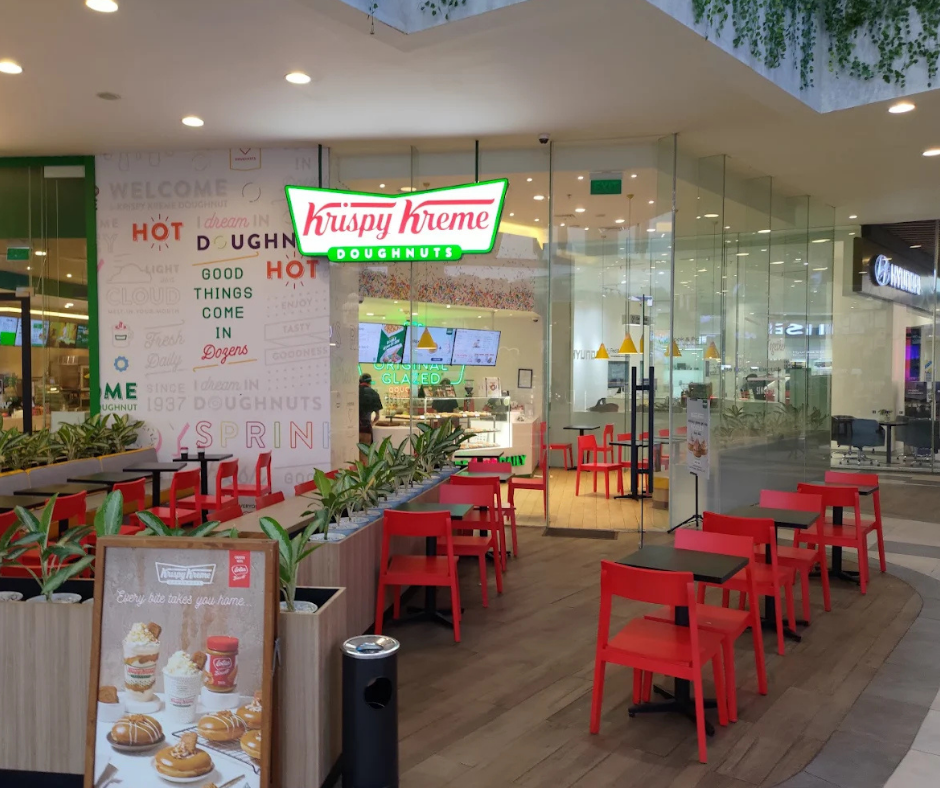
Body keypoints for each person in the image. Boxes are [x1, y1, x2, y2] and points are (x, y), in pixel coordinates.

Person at [358, 373, 383, 445]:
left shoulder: (353, 392)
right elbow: (377, 417)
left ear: (359, 381)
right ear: (370, 382)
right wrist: (371, 424)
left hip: (352, 429)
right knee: (364, 451)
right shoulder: (374, 394)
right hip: (366, 430)